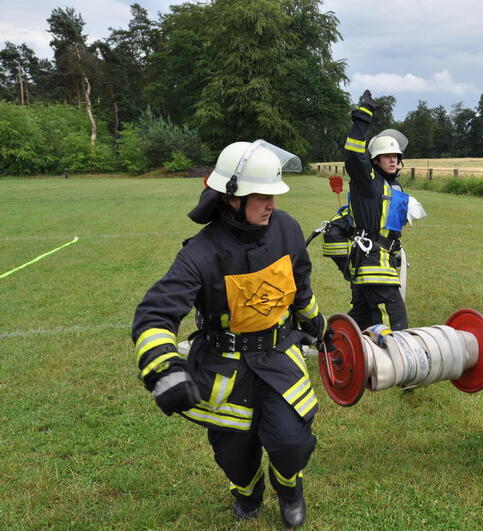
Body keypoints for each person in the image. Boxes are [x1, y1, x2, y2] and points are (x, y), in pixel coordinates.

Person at [131, 140, 325, 527]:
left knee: (291, 441)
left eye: (273, 195)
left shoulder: (286, 228)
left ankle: (289, 490)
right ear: (233, 198)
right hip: (225, 366)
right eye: (262, 197)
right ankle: (247, 494)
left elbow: (299, 282)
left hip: (277, 357)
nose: (272, 205)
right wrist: (164, 368)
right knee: (234, 454)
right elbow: (156, 312)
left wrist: (317, 325)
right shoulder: (201, 252)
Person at [342, 89, 410, 331]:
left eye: (395, 156)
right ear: (375, 160)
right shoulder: (368, 181)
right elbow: (353, 154)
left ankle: (329, 340)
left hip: (383, 259)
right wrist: (364, 115)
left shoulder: (394, 187)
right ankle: (402, 352)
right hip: (373, 260)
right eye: (386, 156)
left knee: (363, 318)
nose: (392, 160)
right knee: (395, 314)